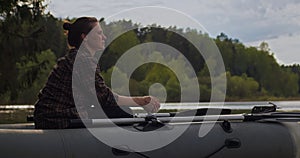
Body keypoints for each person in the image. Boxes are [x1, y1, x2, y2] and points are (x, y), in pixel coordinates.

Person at [34, 17, 160, 129]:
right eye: (99, 33)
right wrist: (142, 101)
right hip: (57, 118)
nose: (104, 37)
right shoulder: (83, 60)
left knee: (119, 111)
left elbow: (98, 98)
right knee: (122, 112)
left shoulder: (77, 57)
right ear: (85, 37)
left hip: (51, 116)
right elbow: (104, 98)